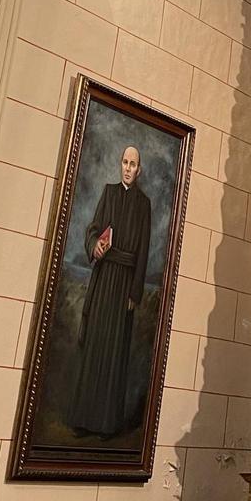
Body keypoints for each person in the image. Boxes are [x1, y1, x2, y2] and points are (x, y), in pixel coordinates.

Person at [68, 144, 153, 437]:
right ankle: (84, 419)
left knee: (115, 351)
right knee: (95, 344)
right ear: (121, 165)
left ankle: (106, 423)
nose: (128, 168)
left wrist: (135, 294)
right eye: (125, 163)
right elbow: (92, 229)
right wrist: (96, 246)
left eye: (134, 164)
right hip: (104, 278)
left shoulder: (144, 204)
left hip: (124, 285)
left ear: (139, 170)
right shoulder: (109, 192)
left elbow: (142, 252)